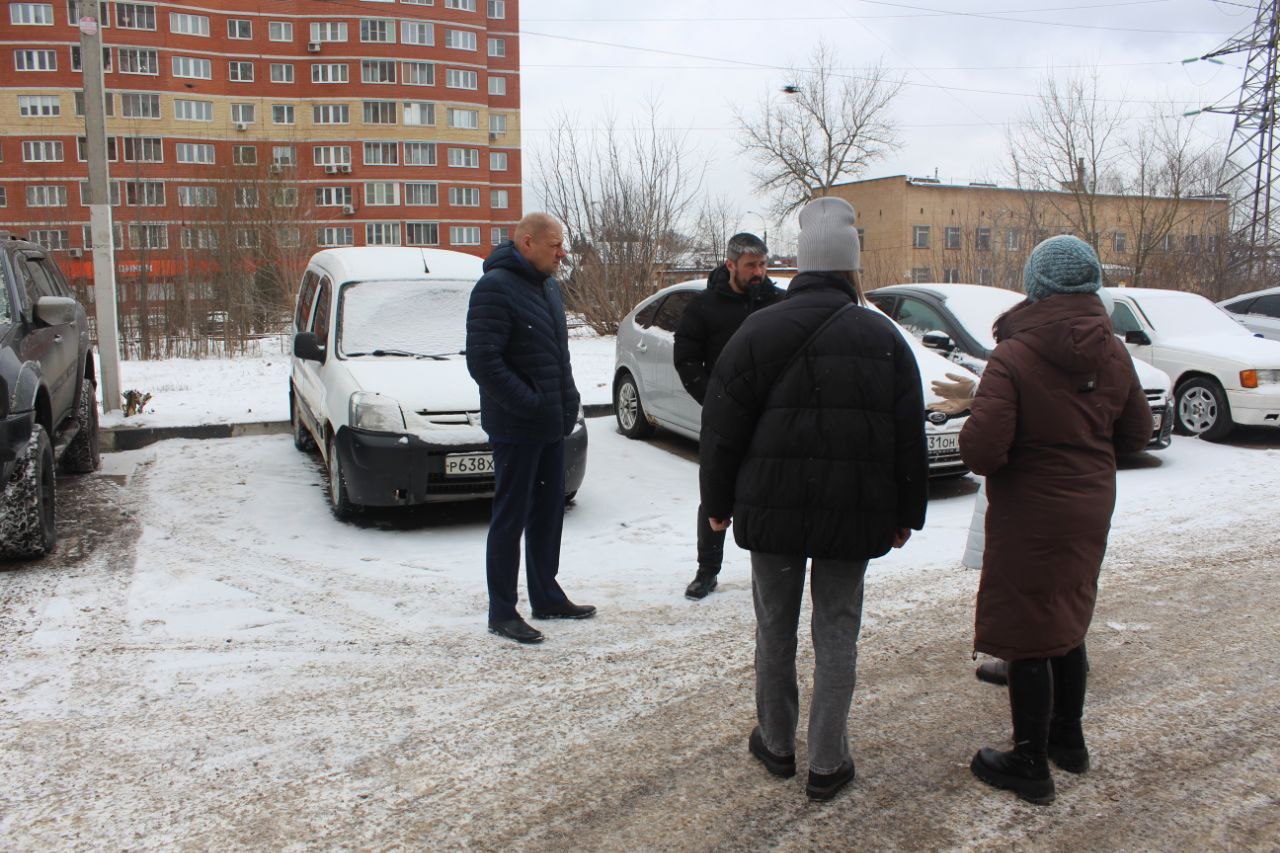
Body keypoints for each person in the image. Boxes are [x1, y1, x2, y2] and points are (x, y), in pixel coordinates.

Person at [699, 197, 928, 801]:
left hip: (771, 511)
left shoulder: (757, 329)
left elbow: (721, 430)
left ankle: (776, 744)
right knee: (837, 632)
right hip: (852, 515)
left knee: (774, 629)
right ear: (854, 269)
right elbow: (910, 434)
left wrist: (717, 505)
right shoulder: (883, 336)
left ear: (798, 265)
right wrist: (907, 513)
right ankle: (828, 760)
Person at [959, 236, 1151, 804]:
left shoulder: (1013, 355)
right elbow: (1137, 434)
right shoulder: (1114, 351)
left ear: (1036, 288)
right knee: (1068, 613)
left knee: (1027, 631)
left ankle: (1030, 761)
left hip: (1031, 513)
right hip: (1091, 505)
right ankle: (1069, 741)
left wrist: (982, 412)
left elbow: (981, 454)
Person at [465, 212, 596, 644]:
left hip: (550, 424)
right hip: (516, 428)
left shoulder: (548, 286)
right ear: (526, 242)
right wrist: (531, 403)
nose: (562, 253)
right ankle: (501, 610)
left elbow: (558, 355)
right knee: (511, 517)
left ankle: (546, 594)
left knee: (548, 513)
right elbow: (484, 362)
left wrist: (568, 397)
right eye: (555, 244)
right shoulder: (494, 289)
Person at [673, 232, 784, 600]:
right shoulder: (704, 307)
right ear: (731, 265)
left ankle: (775, 569)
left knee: (772, 492)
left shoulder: (779, 303)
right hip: (724, 418)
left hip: (771, 419)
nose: (759, 272)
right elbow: (686, 358)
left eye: (763, 265)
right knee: (716, 493)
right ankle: (707, 571)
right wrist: (714, 399)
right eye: (751, 265)